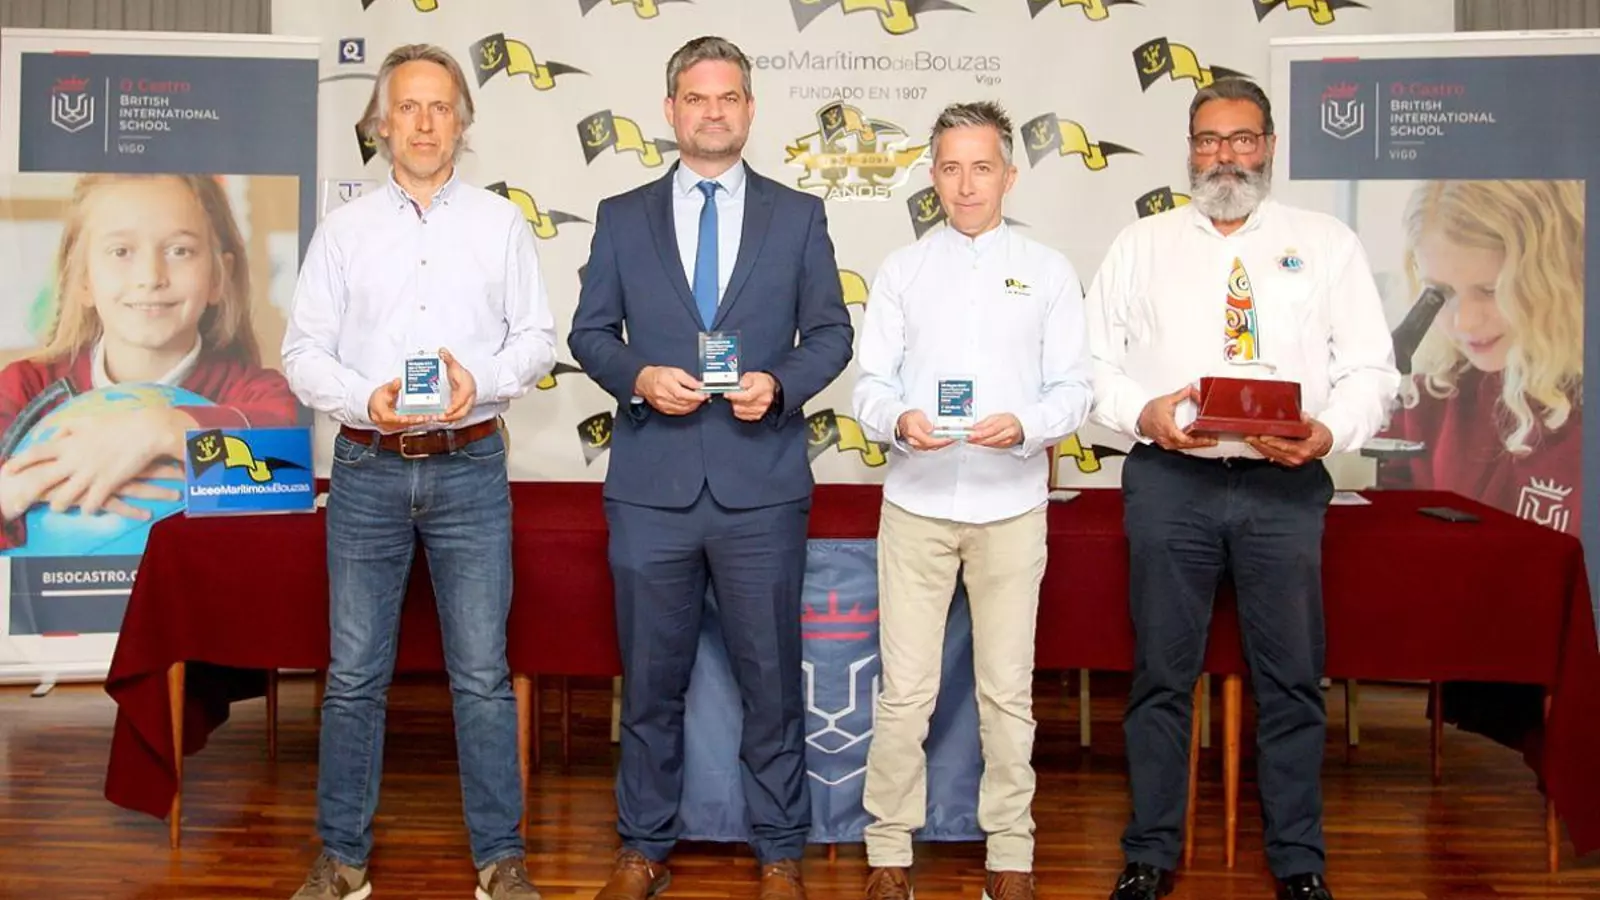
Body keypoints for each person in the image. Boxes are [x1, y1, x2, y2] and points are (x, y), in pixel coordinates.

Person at [1084, 76, 1399, 900]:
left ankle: (1298, 861)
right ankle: (1150, 854)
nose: (1225, 156)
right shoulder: (1141, 244)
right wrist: (1143, 414)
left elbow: (1372, 368)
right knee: (1161, 677)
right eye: (1209, 140)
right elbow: (1089, 365)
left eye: (1242, 139)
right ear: (1190, 149)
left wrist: (1330, 432)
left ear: (1269, 146)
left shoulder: (1325, 243)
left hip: (1283, 487)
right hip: (1170, 482)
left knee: (1290, 679)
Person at [568, 34, 853, 900]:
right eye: (696, 97)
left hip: (760, 488)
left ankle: (780, 853)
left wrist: (781, 383)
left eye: (728, 97)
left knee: (771, 684)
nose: (713, 111)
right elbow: (589, 333)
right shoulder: (622, 215)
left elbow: (831, 333)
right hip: (651, 489)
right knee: (651, 686)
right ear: (670, 110)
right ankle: (642, 848)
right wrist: (639, 377)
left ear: (751, 110)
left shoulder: (797, 215)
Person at [280, 43, 557, 900]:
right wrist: (364, 399)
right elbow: (301, 353)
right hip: (366, 468)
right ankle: (342, 858)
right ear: (380, 123)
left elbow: (536, 341)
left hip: (470, 465)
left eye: (441, 107)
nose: (426, 123)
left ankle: (500, 859)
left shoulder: (500, 224)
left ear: (463, 123)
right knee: (353, 677)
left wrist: (485, 380)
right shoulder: (345, 230)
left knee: (481, 675)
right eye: (409, 107)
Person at [850, 100, 1092, 900]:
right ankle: (888, 850)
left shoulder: (1048, 270)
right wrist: (898, 419)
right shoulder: (902, 270)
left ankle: (1011, 855)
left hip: (1011, 506)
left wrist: (1026, 425)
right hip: (916, 506)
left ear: (1009, 176)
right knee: (906, 692)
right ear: (932, 176)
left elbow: (1074, 389)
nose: (965, 185)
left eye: (981, 167)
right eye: (951, 168)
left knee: (1006, 693)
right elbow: (870, 385)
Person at [0, 173, 304, 547]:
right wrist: (11, 494)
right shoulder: (24, 389)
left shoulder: (257, 394)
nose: (150, 277)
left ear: (218, 278)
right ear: (83, 279)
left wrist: (161, 431)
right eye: (121, 251)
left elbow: (288, 472)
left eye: (180, 251)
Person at [1377, 180, 1584, 536]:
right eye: (1441, 293)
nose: (1465, 322)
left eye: (1492, 291)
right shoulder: (1427, 391)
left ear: (1560, 278)